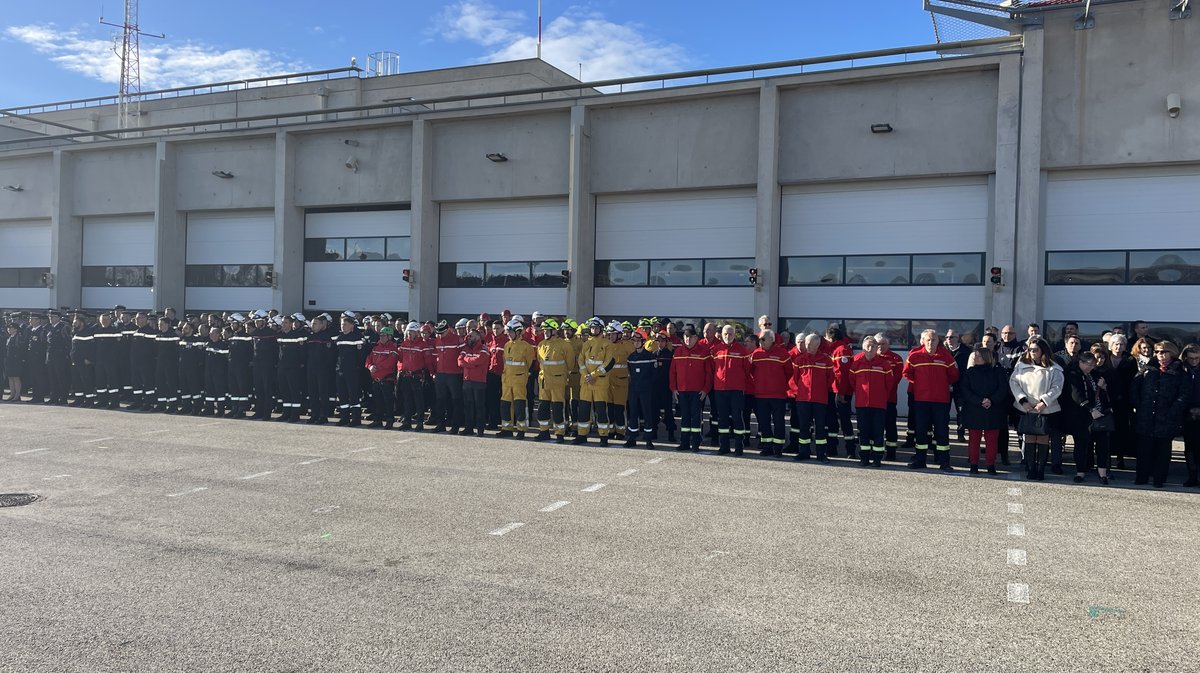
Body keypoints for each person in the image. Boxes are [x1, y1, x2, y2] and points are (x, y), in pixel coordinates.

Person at [1130, 340, 1191, 488]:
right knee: (1144, 449)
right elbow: (1134, 387)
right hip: (1146, 416)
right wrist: (1139, 405)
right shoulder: (1148, 369)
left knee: (1162, 451)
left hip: (1166, 417)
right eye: (1157, 352)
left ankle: (1159, 479)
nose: (1160, 355)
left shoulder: (1179, 372)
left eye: (1163, 352)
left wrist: (1173, 410)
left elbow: (1184, 394)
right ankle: (1141, 477)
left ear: (1171, 353)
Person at [903, 329, 960, 471]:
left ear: (938, 341)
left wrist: (941, 385)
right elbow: (906, 373)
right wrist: (921, 384)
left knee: (942, 431)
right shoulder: (914, 356)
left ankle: (944, 461)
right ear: (923, 340)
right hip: (921, 400)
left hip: (941, 401)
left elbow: (954, 375)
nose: (930, 342)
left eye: (933, 340)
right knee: (921, 430)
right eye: (928, 340)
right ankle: (920, 460)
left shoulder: (946, 356)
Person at [1009, 338, 1064, 481]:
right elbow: (1014, 383)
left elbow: (1057, 387)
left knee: (1043, 438)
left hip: (1045, 408)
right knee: (1029, 437)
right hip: (1026, 407)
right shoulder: (1021, 366)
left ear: (1043, 351)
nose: (1032, 352)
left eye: (1035, 350)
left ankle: (1041, 469)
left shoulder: (1054, 368)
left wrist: (1044, 402)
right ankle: (1031, 467)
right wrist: (1023, 401)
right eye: (1030, 350)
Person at [958, 347, 1007, 475]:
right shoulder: (970, 372)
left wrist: (991, 400)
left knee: (991, 441)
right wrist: (980, 401)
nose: (976, 358)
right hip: (974, 409)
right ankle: (973, 464)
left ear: (986, 357)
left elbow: (1003, 389)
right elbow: (965, 390)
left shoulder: (998, 371)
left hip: (993, 410)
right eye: (975, 356)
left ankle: (991, 465)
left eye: (979, 356)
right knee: (974, 440)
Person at [1062, 351, 1107, 483]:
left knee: (1102, 444)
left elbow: (1104, 392)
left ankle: (1102, 472)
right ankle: (1080, 471)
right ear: (1080, 362)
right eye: (1089, 364)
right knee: (1081, 444)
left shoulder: (1095, 374)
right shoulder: (1073, 374)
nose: (1092, 367)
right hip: (1080, 414)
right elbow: (1076, 394)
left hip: (1099, 413)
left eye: (1094, 365)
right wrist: (1089, 409)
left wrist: (1103, 387)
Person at [790, 334, 834, 461]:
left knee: (820, 427)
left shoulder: (826, 360)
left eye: (810, 344)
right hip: (803, 399)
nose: (807, 346)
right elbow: (795, 378)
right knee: (803, 426)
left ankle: (821, 454)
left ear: (817, 345)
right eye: (806, 343)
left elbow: (830, 379)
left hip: (820, 399)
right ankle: (804, 452)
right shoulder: (799, 360)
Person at [849, 335, 891, 467]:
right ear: (863, 348)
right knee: (864, 432)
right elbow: (852, 381)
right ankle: (864, 458)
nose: (870, 348)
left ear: (876, 348)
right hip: (862, 404)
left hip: (879, 404)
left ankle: (877, 458)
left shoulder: (884, 364)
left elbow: (889, 384)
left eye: (873, 346)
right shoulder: (856, 363)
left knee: (878, 432)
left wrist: (882, 396)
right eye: (868, 346)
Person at [710, 323, 752, 456]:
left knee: (737, 418)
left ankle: (739, 447)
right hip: (720, 390)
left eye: (730, 334)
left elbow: (747, 370)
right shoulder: (716, 350)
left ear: (735, 335)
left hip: (736, 390)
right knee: (722, 418)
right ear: (721, 335)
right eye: (725, 334)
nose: (728, 336)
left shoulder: (742, 351)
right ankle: (724, 446)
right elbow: (712, 369)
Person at [669, 324, 712, 452]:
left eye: (691, 337)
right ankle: (684, 442)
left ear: (696, 338)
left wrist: (705, 389)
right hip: (682, 391)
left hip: (697, 392)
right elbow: (672, 372)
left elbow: (709, 373)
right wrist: (673, 388)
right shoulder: (678, 352)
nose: (688, 340)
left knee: (696, 418)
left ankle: (696, 443)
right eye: (686, 337)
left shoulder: (704, 352)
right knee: (684, 418)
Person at [574, 318, 616, 445]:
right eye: (592, 328)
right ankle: (582, 434)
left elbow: (608, 363)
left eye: (596, 328)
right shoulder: (586, 343)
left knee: (601, 410)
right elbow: (580, 361)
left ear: (601, 329)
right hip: (586, 382)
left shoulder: (607, 344)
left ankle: (603, 436)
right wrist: (586, 375)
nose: (594, 330)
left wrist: (593, 375)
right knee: (584, 410)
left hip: (600, 383)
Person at [750, 330, 790, 457]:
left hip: (778, 395)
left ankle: (778, 448)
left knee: (779, 422)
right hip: (761, 395)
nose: (760, 341)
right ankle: (767, 447)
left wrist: (780, 384)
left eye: (763, 339)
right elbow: (751, 371)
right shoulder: (756, 354)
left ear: (772, 339)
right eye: (760, 339)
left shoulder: (783, 354)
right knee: (763, 422)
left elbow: (789, 372)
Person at [536, 319, 574, 443]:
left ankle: (559, 434)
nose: (545, 332)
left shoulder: (564, 345)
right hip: (544, 381)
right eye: (544, 330)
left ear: (554, 331)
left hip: (557, 381)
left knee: (558, 408)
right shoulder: (541, 344)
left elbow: (570, 363)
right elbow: (540, 362)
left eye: (547, 330)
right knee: (543, 407)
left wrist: (562, 375)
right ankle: (544, 431)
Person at [499, 319, 536, 439]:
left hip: (519, 380)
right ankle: (506, 428)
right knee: (505, 405)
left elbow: (530, 363)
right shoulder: (507, 345)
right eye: (507, 331)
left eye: (510, 332)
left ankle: (521, 429)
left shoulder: (526, 347)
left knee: (520, 405)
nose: (508, 334)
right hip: (507, 380)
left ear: (518, 332)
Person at [1106, 334, 1137, 471]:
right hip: (1106, 399)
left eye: (1121, 344)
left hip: (1123, 401)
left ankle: (1120, 457)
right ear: (1111, 345)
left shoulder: (1130, 360)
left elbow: (1134, 382)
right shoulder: (1104, 358)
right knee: (1105, 430)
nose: (1118, 347)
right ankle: (1105, 458)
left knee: (1121, 430)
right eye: (1116, 344)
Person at [625, 330, 659, 448]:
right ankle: (632, 438)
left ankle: (648, 439)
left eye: (638, 341)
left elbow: (654, 375)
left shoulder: (650, 357)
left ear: (643, 342)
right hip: (634, 389)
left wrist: (648, 387)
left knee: (647, 413)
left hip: (646, 390)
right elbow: (629, 373)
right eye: (634, 341)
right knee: (633, 413)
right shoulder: (631, 357)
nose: (635, 343)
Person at [397, 321, 433, 431]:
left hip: (417, 376)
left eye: (411, 332)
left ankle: (419, 422)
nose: (409, 334)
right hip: (406, 376)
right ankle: (407, 421)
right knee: (407, 400)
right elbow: (400, 358)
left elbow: (428, 362)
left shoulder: (423, 345)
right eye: (408, 332)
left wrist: (431, 374)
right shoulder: (404, 344)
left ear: (417, 332)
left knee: (419, 400)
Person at [333, 315, 366, 427]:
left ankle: (356, 419)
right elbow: (336, 355)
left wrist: (356, 368)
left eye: (345, 324)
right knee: (342, 395)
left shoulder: (358, 338)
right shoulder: (339, 338)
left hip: (352, 371)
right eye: (342, 325)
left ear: (352, 326)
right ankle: (344, 418)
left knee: (353, 395)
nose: (343, 327)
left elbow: (361, 356)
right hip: (340, 371)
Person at [432, 320, 465, 434]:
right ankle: (440, 424)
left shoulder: (457, 339)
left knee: (456, 400)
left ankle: (455, 425)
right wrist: (434, 372)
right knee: (440, 400)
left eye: (442, 333)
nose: (440, 335)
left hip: (454, 374)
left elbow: (463, 354)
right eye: (438, 333)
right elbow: (435, 356)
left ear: (447, 330)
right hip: (440, 374)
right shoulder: (438, 340)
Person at [875, 333, 904, 460]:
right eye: (878, 344)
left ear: (889, 344)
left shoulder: (896, 359)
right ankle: (876, 452)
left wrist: (882, 391)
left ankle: (891, 453)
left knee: (890, 426)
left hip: (889, 399)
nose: (880, 346)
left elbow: (895, 379)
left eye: (883, 344)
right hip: (874, 400)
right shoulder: (869, 357)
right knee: (876, 426)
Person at [365, 327, 400, 429]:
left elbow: (390, 363)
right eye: (380, 335)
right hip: (376, 380)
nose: (381, 337)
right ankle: (377, 420)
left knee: (388, 402)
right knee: (377, 401)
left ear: (389, 336)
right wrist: (370, 366)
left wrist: (377, 368)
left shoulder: (393, 349)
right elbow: (368, 359)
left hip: (386, 380)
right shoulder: (376, 347)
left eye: (383, 335)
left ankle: (389, 421)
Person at [458, 328, 490, 437]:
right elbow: (459, 362)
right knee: (468, 406)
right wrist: (471, 363)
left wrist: (467, 361)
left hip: (479, 381)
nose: (468, 337)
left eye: (471, 336)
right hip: (467, 380)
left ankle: (480, 430)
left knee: (479, 406)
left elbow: (480, 360)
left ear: (477, 337)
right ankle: (469, 428)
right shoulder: (465, 348)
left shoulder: (484, 348)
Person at [1181, 343, 1200, 488]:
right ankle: (1192, 476)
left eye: (1197, 358)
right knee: (1190, 447)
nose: (1194, 361)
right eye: (1191, 358)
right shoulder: (1181, 370)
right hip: (1186, 412)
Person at [154, 316, 181, 413]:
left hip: (171, 364)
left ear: (167, 324)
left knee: (171, 384)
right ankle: (161, 404)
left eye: (161, 324)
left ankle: (173, 405)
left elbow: (177, 350)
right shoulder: (159, 335)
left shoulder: (174, 335)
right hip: (160, 363)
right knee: (160, 384)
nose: (159, 326)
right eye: (158, 324)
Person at [203, 325, 231, 417]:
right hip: (209, 371)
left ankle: (221, 410)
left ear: (218, 334)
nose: (210, 335)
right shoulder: (208, 344)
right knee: (209, 391)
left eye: (213, 333)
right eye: (210, 333)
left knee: (220, 392)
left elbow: (227, 359)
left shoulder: (223, 345)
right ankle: (209, 409)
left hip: (219, 372)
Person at [5, 321, 24, 401]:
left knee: (16, 378)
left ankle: (17, 394)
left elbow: (21, 350)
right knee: (10, 377)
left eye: (11, 328)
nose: (9, 329)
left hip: (16, 360)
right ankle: (12, 394)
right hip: (9, 360)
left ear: (15, 329)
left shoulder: (19, 337)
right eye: (8, 328)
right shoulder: (9, 337)